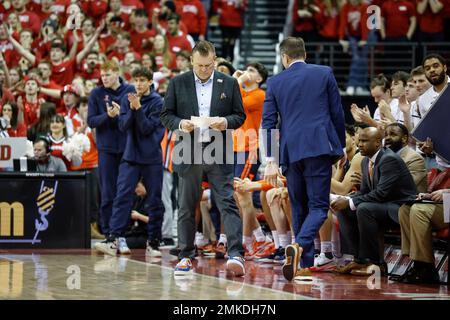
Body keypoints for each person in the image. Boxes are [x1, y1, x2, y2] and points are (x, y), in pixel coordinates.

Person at [261, 37, 346, 281]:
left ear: (284, 58)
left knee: (298, 206)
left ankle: (304, 264)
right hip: (319, 147)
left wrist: (271, 159)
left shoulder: (275, 81)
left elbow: (268, 123)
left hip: (290, 151)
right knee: (319, 206)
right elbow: (336, 113)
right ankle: (299, 247)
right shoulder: (324, 73)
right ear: (305, 54)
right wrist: (339, 146)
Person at [160, 40, 246, 277]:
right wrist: (181, 124)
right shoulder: (178, 82)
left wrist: (225, 122)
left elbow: (240, 116)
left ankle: (236, 254)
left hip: (219, 147)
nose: (204, 70)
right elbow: (166, 115)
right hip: (188, 148)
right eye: (200, 65)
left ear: (215, 60)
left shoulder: (229, 83)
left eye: (209, 65)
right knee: (186, 206)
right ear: (191, 61)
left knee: (227, 202)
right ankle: (186, 256)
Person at [95, 66, 165, 257]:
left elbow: (146, 129)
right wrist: (130, 110)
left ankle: (154, 242)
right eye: (136, 80)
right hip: (130, 156)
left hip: (151, 158)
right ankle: (113, 239)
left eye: (143, 80)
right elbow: (123, 126)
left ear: (150, 82)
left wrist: (138, 110)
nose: (139, 84)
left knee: (154, 200)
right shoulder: (128, 100)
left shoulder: (158, 102)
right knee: (121, 197)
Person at [331, 127, 417, 275]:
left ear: (378, 143)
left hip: (401, 208)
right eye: (359, 141)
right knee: (344, 208)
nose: (359, 145)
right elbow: (365, 191)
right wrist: (346, 199)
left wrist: (351, 202)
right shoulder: (366, 161)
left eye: (364, 141)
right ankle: (358, 260)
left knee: (364, 209)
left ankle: (374, 263)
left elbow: (381, 194)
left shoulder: (389, 159)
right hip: (383, 205)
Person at [88, 60, 135, 240]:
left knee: (124, 191)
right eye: (102, 75)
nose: (104, 78)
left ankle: (123, 230)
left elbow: (135, 115)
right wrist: (108, 115)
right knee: (107, 192)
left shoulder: (129, 90)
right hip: (106, 148)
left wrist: (122, 112)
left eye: (107, 75)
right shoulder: (96, 93)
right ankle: (108, 231)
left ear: (117, 73)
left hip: (126, 148)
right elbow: (91, 121)